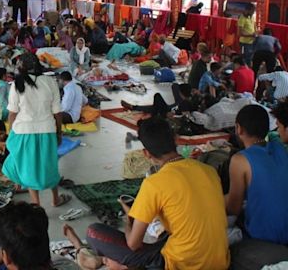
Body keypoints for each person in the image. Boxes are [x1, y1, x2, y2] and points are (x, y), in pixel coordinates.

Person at [86, 116, 230, 269]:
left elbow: (133, 244)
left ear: (146, 153)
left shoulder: (154, 183)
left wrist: (128, 221)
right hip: (220, 261)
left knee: (94, 232)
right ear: (175, 139)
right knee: (171, 234)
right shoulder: (208, 171)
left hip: (181, 264)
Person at [2, 53, 71, 207]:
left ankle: (36, 203)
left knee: (28, 167)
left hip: (23, 131)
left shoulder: (16, 84)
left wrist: (10, 132)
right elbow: (57, 112)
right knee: (50, 164)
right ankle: (55, 199)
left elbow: (12, 114)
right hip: (47, 130)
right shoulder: (50, 81)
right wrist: (58, 132)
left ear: (21, 67)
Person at [226, 104, 288, 245]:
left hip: (265, 238)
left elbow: (233, 209)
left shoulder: (239, 160)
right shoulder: (279, 148)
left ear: (239, 128)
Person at [121, 83, 199, 117]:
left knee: (157, 98)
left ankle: (134, 107)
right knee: (155, 107)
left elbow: (186, 117)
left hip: (167, 112)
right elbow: (175, 85)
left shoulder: (186, 103)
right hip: (173, 106)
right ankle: (133, 107)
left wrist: (170, 115)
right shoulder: (183, 99)